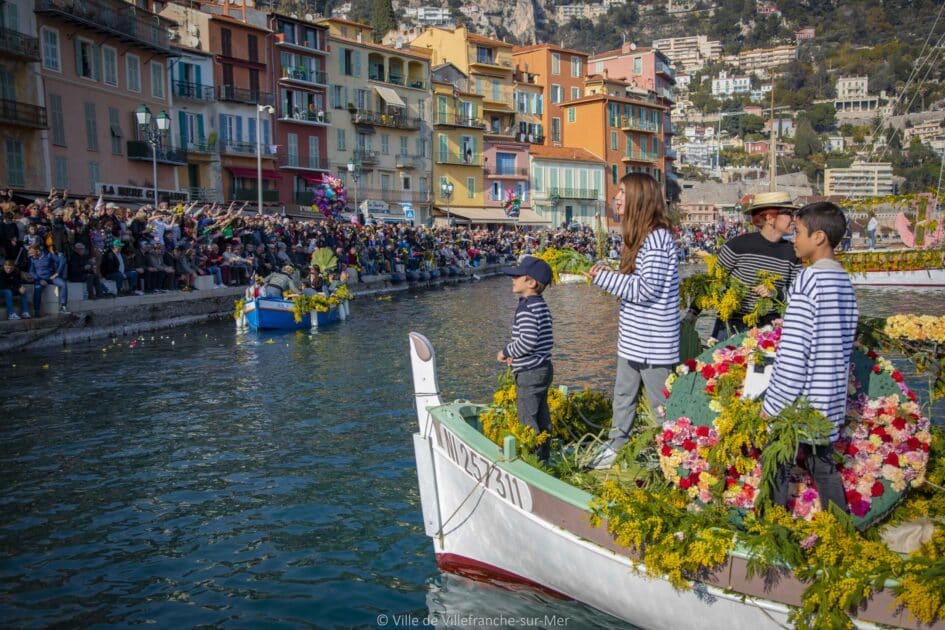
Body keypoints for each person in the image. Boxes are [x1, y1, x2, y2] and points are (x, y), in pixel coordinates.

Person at [762, 202, 859, 513]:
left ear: (819, 237)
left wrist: (772, 405)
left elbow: (794, 352)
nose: (793, 238)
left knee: (775, 465)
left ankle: (772, 531)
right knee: (823, 467)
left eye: (798, 232)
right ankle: (840, 531)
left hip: (800, 402)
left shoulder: (808, 280)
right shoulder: (843, 280)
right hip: (829, 399)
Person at [586, 173, 679, 470]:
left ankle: (675, 461)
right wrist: (612, 274)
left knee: (662, 408)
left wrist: (604, 278)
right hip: (634, 340)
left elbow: (646, 288)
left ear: (640, 197)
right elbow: (637, 282)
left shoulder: (657, 238)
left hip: (653, 345)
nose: (617, 197)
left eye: (623, 191)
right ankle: (616, 449)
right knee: (622, 399)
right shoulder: (642, 237)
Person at [709, 191, 801, 340]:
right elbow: (713, 283)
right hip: (732, 325)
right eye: (789, 213)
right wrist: (692, 314)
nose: (794, 219)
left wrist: (774, 293)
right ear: (770, 218)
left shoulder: (793, 253)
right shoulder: (738, 245)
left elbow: (795, 297)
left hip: (769, 327)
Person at [497, 255, 555, 462]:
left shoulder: (526, 307)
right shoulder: (540, 305)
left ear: (530, 283)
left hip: (531, 372)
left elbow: (528, 340)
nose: (513, 279)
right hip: (542, 367)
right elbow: (541, 340)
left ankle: (531, 458)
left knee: (527, 416)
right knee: (541, 414)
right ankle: (544, 456)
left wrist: (507, 351)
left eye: (517, 276)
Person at [28, 245, 69, 315]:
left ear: (38, 251)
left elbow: (62, 260)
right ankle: (37, 311)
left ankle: (63, 306)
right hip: (40, 279)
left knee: (63, 284)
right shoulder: (32, 259)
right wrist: (39, 279)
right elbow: (31, 271)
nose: (31, 255)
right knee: (37, 288)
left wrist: (57, 273)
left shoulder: (49, 255)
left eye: (32, 253)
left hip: (51, 278)